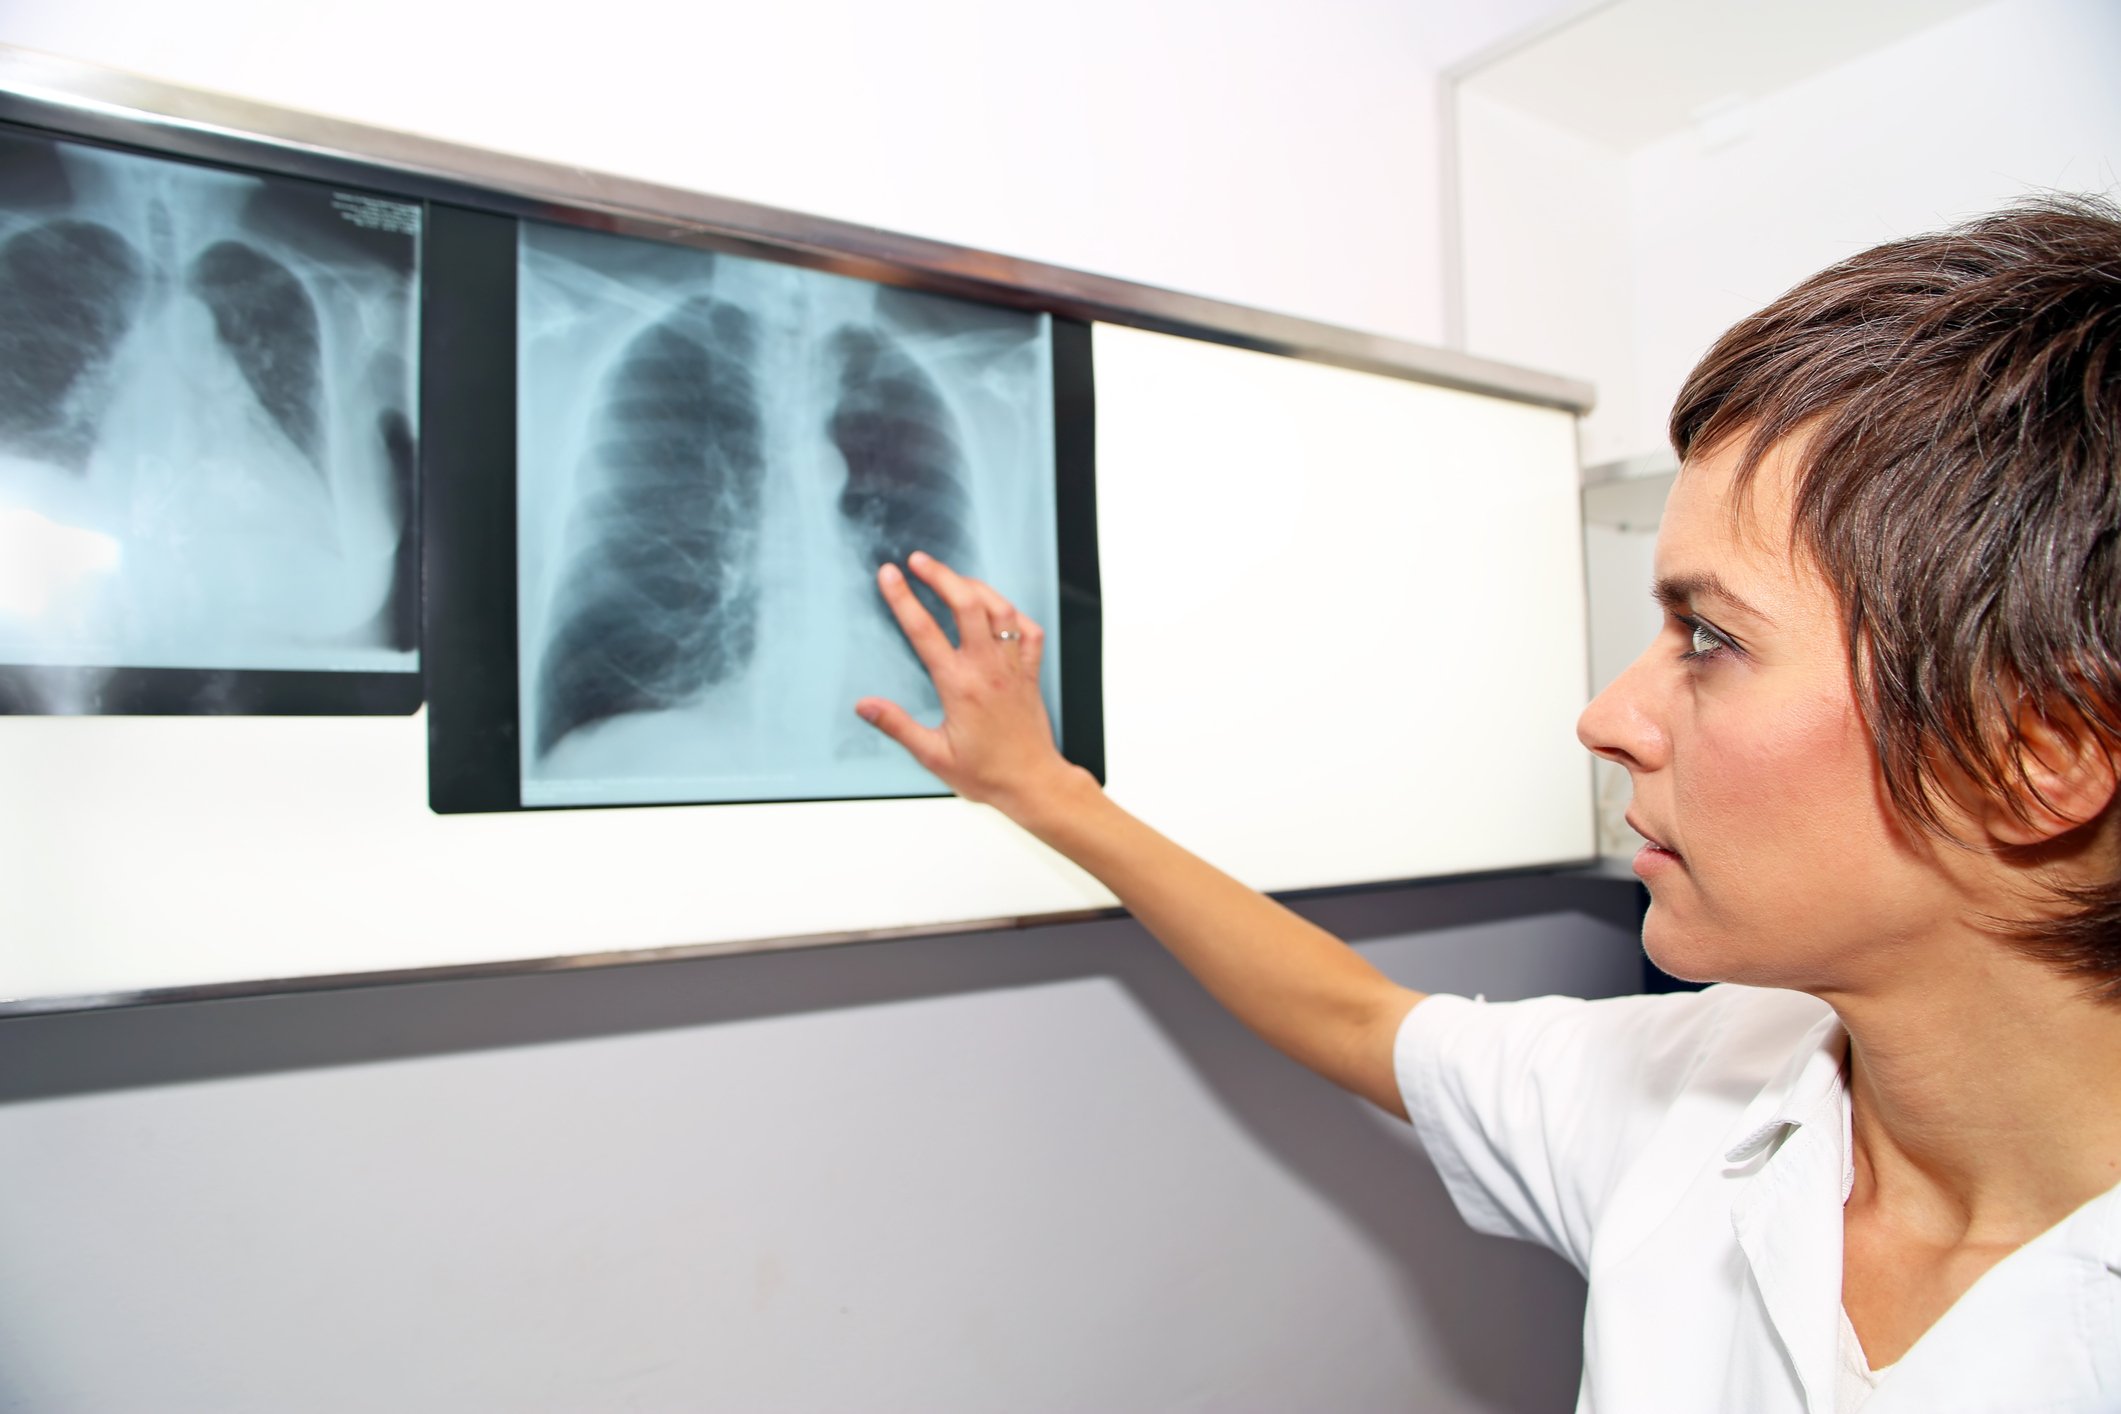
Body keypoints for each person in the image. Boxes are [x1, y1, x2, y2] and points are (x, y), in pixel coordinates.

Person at [853, 197, 2121, 1412]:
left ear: (2034, 753)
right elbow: (1355, 1015)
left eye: (1709, 637)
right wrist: (1042, 787)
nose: (1607, 717)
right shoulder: (1700, 1095)